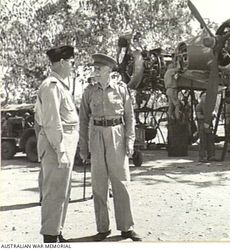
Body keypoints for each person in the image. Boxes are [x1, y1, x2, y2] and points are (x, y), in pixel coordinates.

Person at [79, 53, 141, 241]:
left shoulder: (121, 90)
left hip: (117, 134)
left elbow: (130, 117)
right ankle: (102, 228)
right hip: (96, 135)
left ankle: (126, 227)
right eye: (95, 68)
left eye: (98, 69)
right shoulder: (89, 91)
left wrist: (130, 141)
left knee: (121, 182)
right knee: (99, 184)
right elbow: (83, 120)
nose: (95, 71)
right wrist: (83, 147)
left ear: (108, 70)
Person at [35, 45, 79, 243]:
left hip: (62, 146)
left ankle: (56, 232)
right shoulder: (51, 86)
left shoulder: (60, 86)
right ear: (62, 62)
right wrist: (61, 151)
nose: (72, 66)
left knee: (62, 191)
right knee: (54, 193)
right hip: (56, 147)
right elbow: (53, 122)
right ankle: (50, 239)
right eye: (70, 62)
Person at [195, 92, 215, 162]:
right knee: (203, 141)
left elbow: (212, 114)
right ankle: (202, 157)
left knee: (210, 140)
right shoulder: (199, 106)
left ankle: (211, 155)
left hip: (209, 125)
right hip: (202, 125)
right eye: (204, 97)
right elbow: (199, 116)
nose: (206, 98)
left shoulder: (209, 106)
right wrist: (207, 117)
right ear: (201, 98)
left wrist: (212, 116)